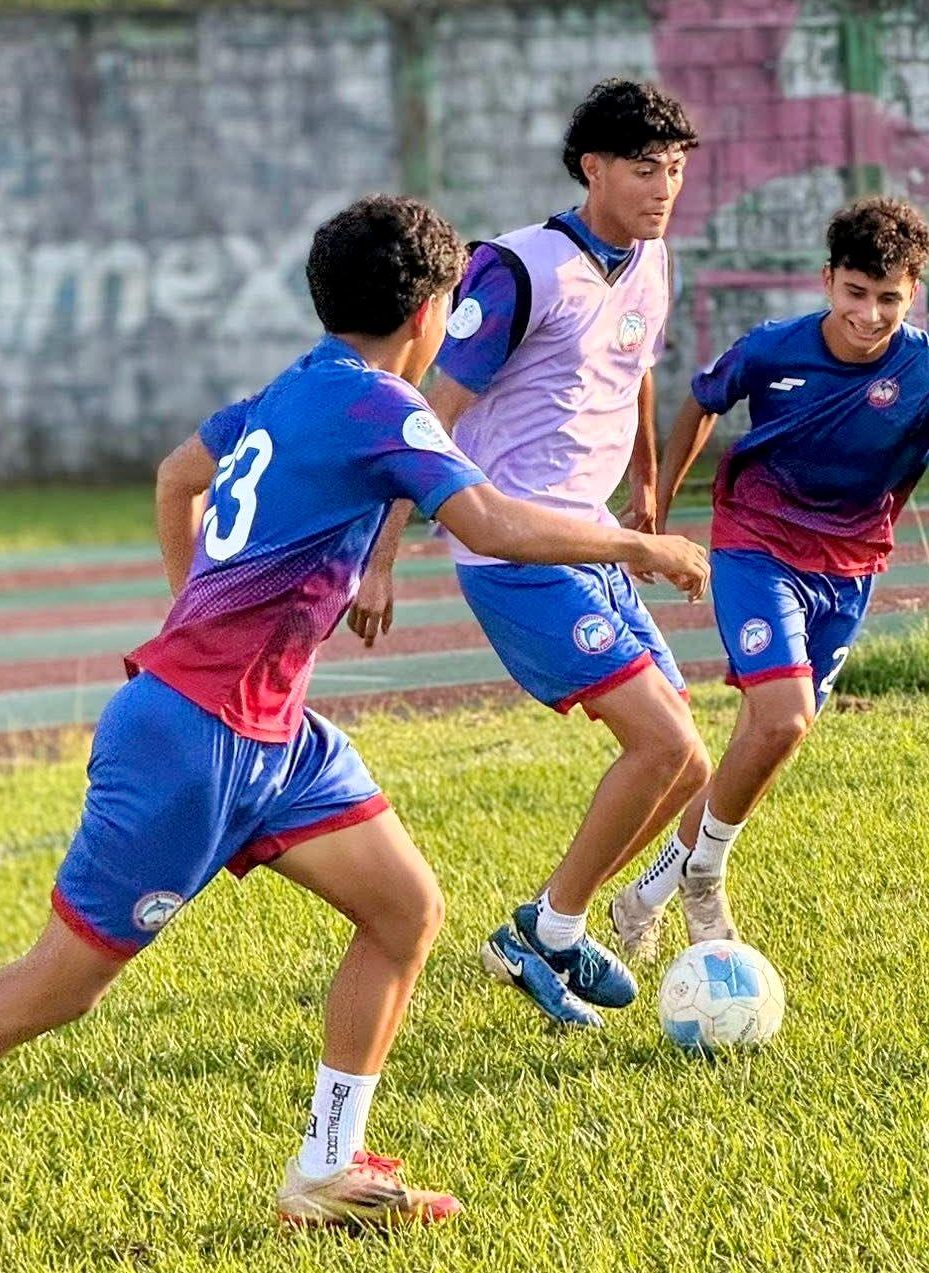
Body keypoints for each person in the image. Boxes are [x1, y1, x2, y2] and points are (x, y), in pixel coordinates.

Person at [0, 196, 707, 1227]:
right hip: (192, 744)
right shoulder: (387, 410)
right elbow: (488, 522)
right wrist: (636, 545)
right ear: (433, 310)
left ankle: (326, 1171)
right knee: (56, 989)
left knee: (404, 911)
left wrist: (189, 613)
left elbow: (180, 476)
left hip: (276, 739)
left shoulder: (300, 385)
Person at [354, 79, 708, 1029]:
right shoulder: (518, 270)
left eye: (675, 170)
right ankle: (551, 927)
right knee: (666, 742)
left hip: (591, 536)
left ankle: (547, 928)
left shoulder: (653, 258)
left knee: (690, 763)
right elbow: (425, 419)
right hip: (515, 552)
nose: (664, 187)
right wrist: (385, 554)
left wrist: (644, 487)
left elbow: (634, 365)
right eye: (645, 168)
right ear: (592, 168)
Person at [611, 197, 929, 956]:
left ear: (916, 295)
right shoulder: (774, 349)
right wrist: (662, 506)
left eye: (890, 299)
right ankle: (705, 876)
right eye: (855, 293)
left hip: (849, 572)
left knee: (761, 744)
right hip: (755, 546)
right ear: (828, 279)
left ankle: (648, 893)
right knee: (785, 715)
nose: (870, 315)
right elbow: (701, 403)